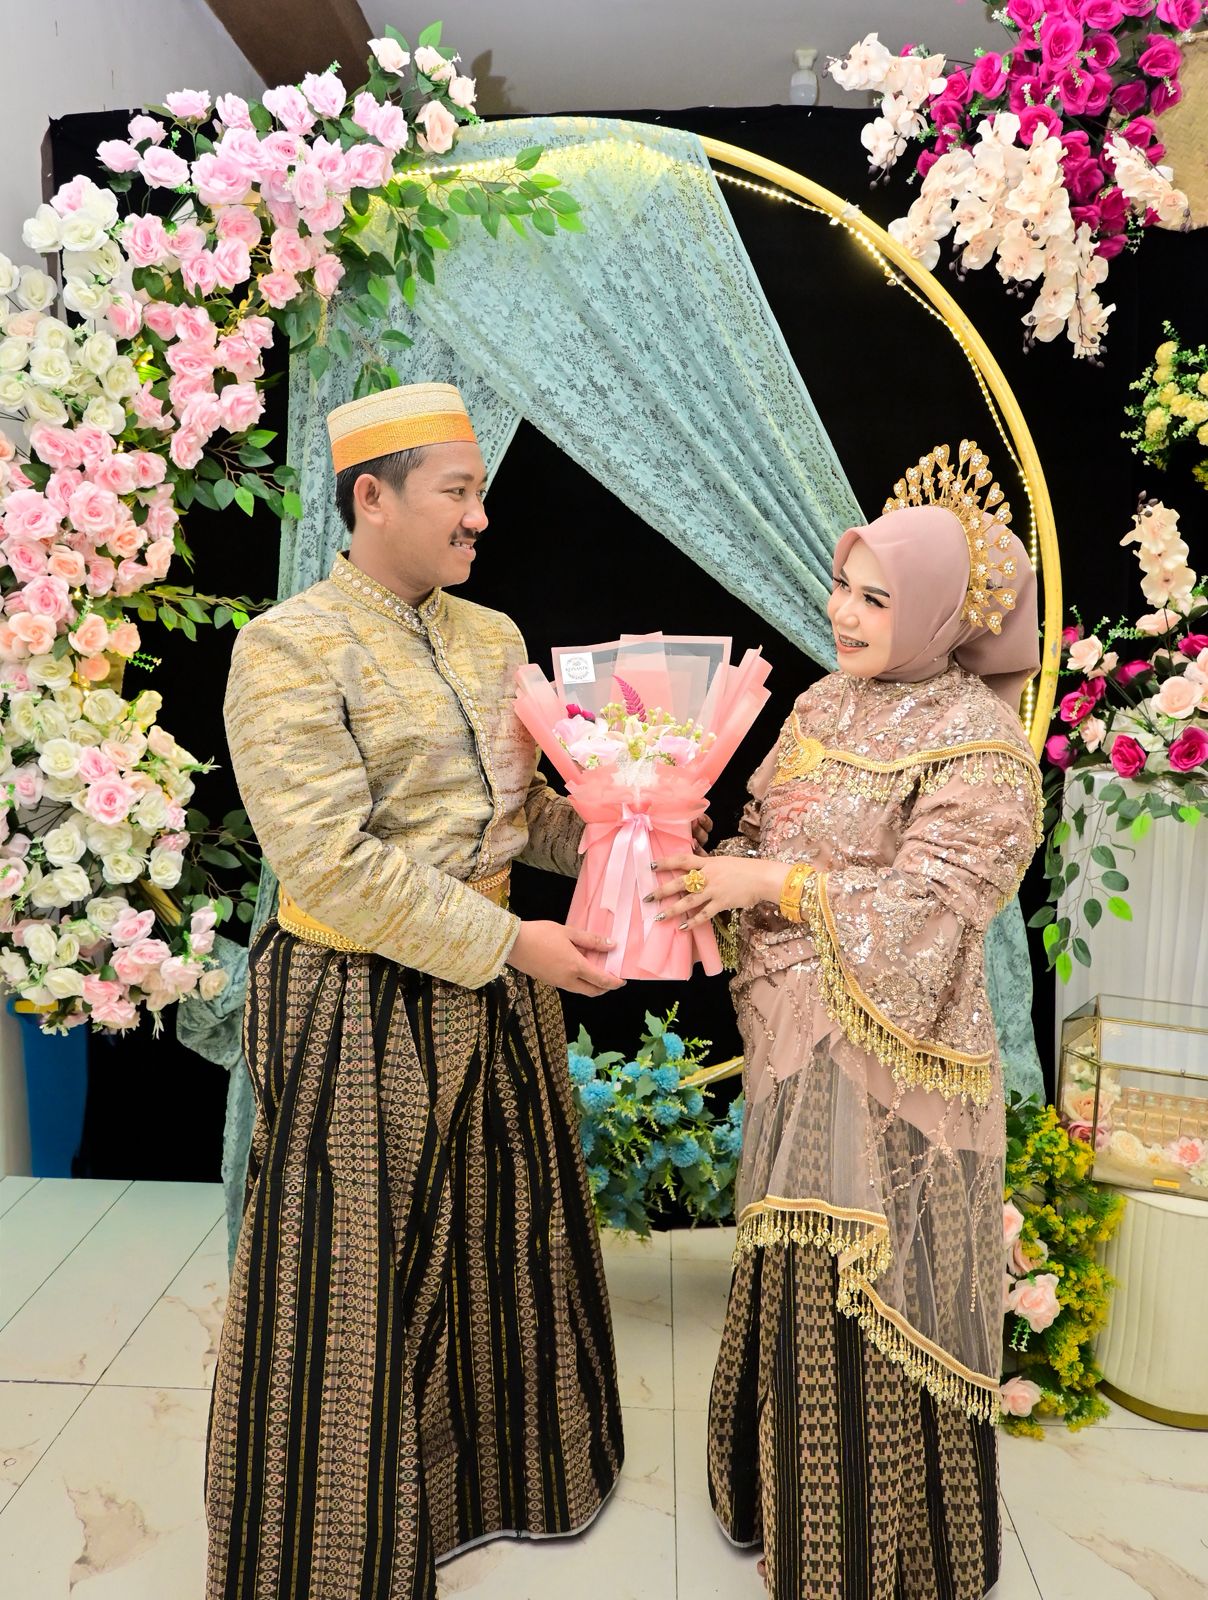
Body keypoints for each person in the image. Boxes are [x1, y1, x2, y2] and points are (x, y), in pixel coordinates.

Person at [206, 383, 626, 1600]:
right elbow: (328, 864)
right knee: (351, 1275)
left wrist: (630, 833)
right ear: (371, 497)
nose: (479, 517)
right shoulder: (287, 648)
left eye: (479, 492)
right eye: (457, 491)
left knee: (503, 1241)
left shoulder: (491, 635)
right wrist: (513, 943)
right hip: (358, 1000)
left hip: (497, 987)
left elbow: (520, 814)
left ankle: (493, 1490)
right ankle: (332, 1548)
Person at [650, 442, 1044, 1599]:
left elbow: (930, 913)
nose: (844, 613)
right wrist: (697, 848)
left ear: (936, 614)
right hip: (795, 1050)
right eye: (841, 586)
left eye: (876, 598)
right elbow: (766, 832)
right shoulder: (823, 703)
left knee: (872, 1286)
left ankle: (875, 1552)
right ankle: (779, 1505)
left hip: (894, 1073)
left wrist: (763, 884)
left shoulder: (981, 745)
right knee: (793, 1261)